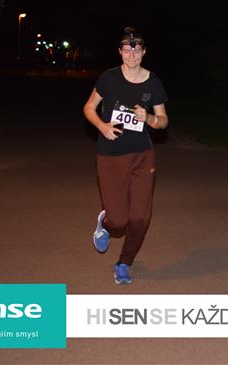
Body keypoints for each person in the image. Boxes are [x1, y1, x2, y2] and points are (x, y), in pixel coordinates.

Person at [82, 27, 168, 284]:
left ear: (144, 52)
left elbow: (163, 120)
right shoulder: (108, 78)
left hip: (142, 155)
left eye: (137, 49)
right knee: (119, 220)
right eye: (127, 49)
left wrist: (148, 117)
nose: (132, 54)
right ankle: (106, 223)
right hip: (110, 156)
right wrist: (102, 126)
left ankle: (124, 264)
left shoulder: (153, 81)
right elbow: (89, 107)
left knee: (140, 217)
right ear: (120, 52)